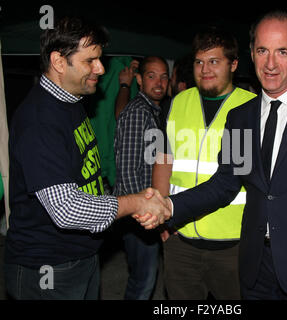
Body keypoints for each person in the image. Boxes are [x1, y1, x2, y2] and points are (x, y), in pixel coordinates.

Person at [138, 11, 287, 300]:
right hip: (253, 269)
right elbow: (225, 184)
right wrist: (170, 207)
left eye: (282, 51)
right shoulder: (240, 117)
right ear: (252, 54)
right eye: (262, 51)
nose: (270, 63)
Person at [4, 17, 169, 300]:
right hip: (48, 268)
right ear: (58, 61)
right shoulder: (40, 121)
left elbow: (86, 174)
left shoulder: (71, 100)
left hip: (81, 256)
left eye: (100, 59)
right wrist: (136, 202)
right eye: (90, 61)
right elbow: (67, 209)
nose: (101, 69)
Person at [152, 26, 256, 299]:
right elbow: (162, 159)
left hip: (234, 245)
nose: (205, 69)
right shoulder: (175, 104)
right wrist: (163, 217)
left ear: (233, 64)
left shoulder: (253, 108)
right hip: (180, 240)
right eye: (199, 62)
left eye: (214, 61)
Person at [113, 56, 169, 300]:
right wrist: (147, 215)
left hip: (145, 212)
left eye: (164, 76)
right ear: (138, 80)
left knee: (145, 278)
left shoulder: (151, 110)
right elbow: (126, 172)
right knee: (143, 282)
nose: (159, 82)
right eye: (151, 76)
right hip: (139, 216)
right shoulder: (138, 112)